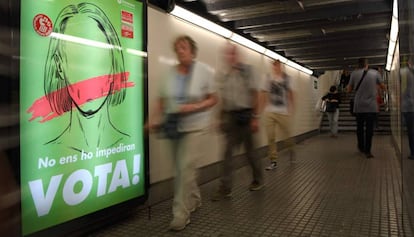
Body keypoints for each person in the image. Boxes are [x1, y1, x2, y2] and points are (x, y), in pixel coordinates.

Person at [146, 35, 218, 231]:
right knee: (181, 168)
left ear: (192, 52)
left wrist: (195, 106)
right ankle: (194, 198)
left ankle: (180, 214)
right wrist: (152, 119)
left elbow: (213, 99)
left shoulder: (203, 71)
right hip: (173, 125)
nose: (180, 51)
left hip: (195, 126)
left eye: (184, 47)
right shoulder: (170, 73)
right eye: (177, 48)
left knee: (185, 168)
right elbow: (161, 100)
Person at [42, 3, 129, 151]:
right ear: (59, 66)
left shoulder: (127, 144)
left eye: (98, 57)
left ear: (113, 64)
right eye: (78, 59)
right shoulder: (50, 152)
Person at [211, 43, 263, 201]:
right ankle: (225, 188)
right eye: (228, 54)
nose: (230, 57)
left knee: (251, 153)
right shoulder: (224, 75)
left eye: (233, 54)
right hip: (231, 118)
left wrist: (255, 117)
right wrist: (220, 118)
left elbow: (256, 94)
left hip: (247, 116)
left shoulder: (248, 71)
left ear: (238, 55)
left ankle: (258, 179)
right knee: (227, 153)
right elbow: (223, 99)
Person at [259, 59, 295, 170]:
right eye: (274, 66)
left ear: (281, 67)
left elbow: (290, 94)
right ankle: (273, 160)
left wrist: (291, 108)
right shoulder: (267, 78)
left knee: (286, 136)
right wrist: (260, 109)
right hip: (269, 112)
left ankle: (291, 150)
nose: (276, 68)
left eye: (278, 66)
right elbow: (263, 93)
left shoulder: (288, 79)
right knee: (271, 137)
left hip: (283, 112)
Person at [346, 58, 385, 158]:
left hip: (358, 106)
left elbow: (349, 90)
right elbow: (383, 86)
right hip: (371, 107)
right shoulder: (375, 73)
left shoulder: (354, 74)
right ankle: (368, 151)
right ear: (367, 64)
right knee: (369, 129)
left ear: (358, 65)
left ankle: (361, 147)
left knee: (359, 128)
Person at [401, 56, 414, 160]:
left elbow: (402, 89)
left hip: (409, 107)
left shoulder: (404, 72)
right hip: (409, 106)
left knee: (411, 131)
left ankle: (413, 152)